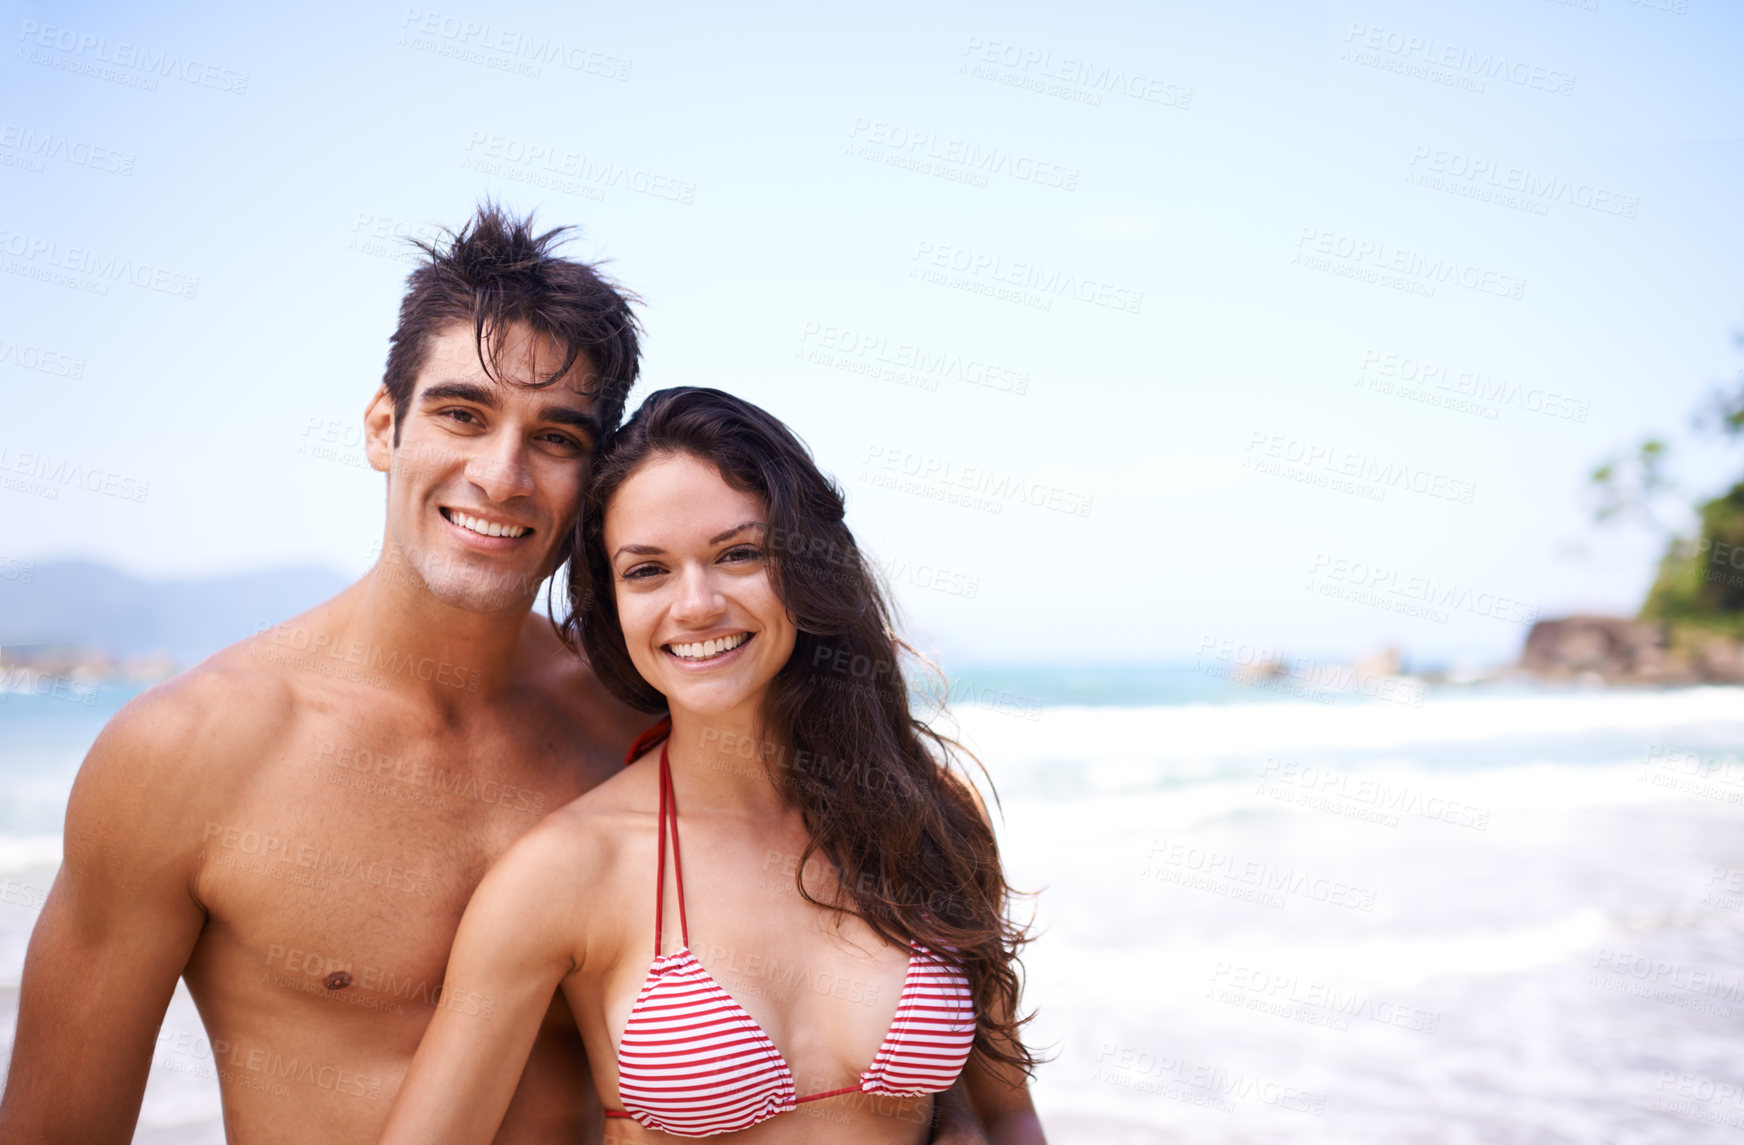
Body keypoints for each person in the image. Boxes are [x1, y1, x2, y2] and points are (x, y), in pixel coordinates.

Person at [0, 206, 990, 1145]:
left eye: (556, 436)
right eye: (463, 414)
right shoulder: (190, 754)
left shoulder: (646, 707)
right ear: (385, 427)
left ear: (594, 479)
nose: (502, 474)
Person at [379, 387, 1045, 1143]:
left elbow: (1009, 1111)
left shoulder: (927, 813)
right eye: (647, 570)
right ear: (613, 605)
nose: (695, 604)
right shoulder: (567, 872)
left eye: (737, 554)